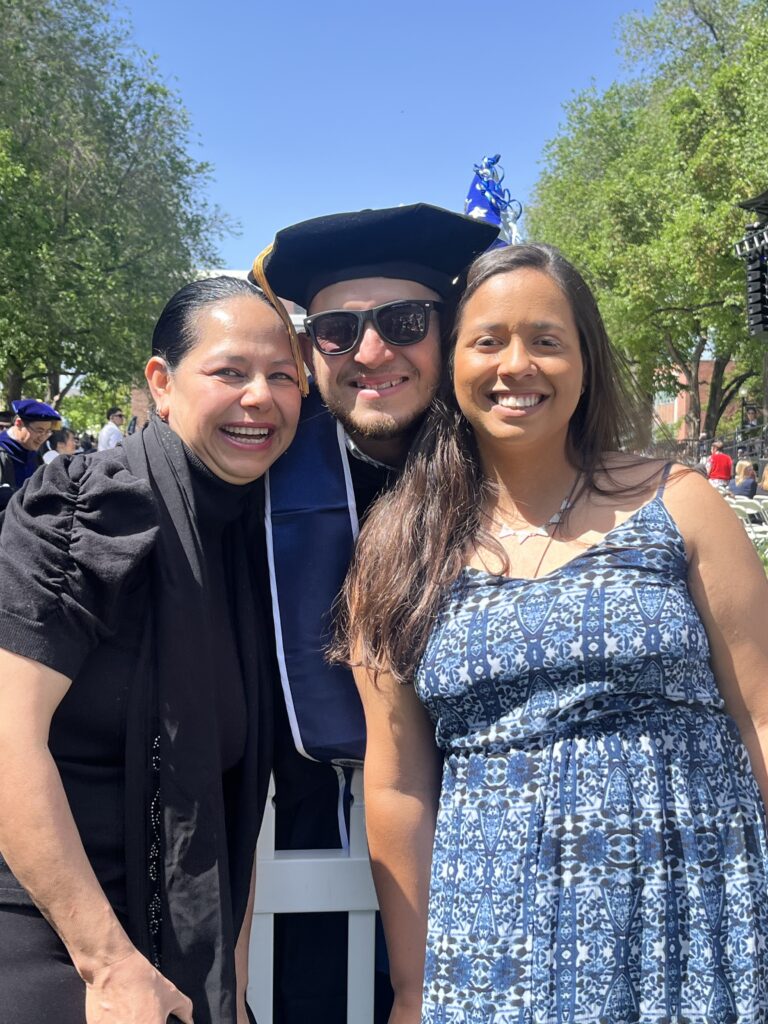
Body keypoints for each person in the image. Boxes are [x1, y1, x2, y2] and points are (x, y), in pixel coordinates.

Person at [338, 243, 768, 1022]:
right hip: (495, 938)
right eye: (488, 340)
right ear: (452, 364)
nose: (517, 364)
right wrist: (410, 986)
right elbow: (399, 783)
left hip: (693, 909)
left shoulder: (681, 505)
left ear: (584, 359)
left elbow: (762, 717)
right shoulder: (398, 547)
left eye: (546, 339)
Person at [0, 276, 306, 1024]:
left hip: (177, 947)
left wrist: (229, 987)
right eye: (229, 372)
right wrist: (107, 965)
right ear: (161, 385)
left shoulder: (258, 541)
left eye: (283, 377)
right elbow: (7, 738)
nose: (259, 396)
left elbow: (228, 796)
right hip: (51, 932)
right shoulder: (79, 511)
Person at [251, 203, 498, 1022]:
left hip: (490, 856)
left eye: (403, 321)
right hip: (300, 841)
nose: (371, 351)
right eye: (336, 330)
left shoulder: (516, 478)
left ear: (447, 331)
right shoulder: (253, 477)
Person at [0, 398, 61, 510]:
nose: (42, 437)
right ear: (19, 423)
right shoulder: (3, 450)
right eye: (39, 430)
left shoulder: (36, 452)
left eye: (47, 432)